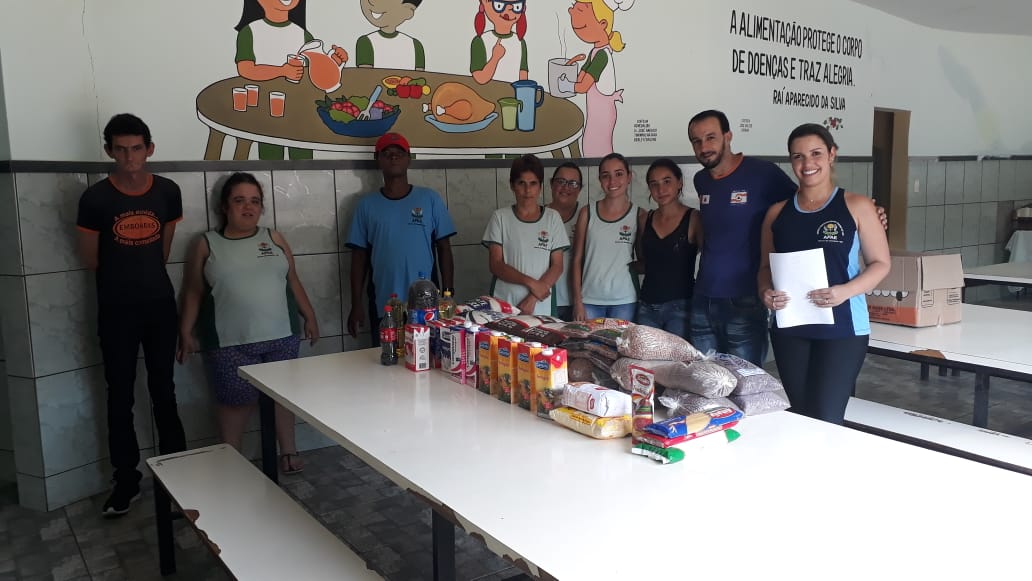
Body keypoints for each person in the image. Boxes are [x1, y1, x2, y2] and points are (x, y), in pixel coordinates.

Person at [76, 114, 187, 517]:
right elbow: (91, 260)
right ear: (109, 151)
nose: (129, 157)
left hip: (159, 306)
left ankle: (179, 477)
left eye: (136, 148)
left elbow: (163, 251)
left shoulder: (168, 192)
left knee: (164, 390)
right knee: (119, 395)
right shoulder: (95, 199)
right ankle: (126, 481)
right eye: (120, 150)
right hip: (116, 310)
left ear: (149, 149)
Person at [177, 173, 319, 473]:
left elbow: (293, 280)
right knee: (234, 403)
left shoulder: (274, 238)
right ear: (224, 207)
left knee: (282, 398)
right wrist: (186, 331)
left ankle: (288, 452)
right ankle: (232, 464)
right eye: (239, 200)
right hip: (230, 343)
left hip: (281, 336)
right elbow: (193, 291)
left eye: (255, 201)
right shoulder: (206, 243)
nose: (248, 207)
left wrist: (310, 316)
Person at [759, 123, 890, 424]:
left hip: (843, 329)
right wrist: (765, 292)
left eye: (816, 153)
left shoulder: (857, 206)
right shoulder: (776, 213)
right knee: (800, 416)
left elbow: (881, 263)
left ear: (832, 154)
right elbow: (765, 268)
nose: (808, 163)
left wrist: (845, 292)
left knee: (827, 416)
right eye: (798, 156)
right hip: (791, 328)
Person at [688, 110, 797, 365]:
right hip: (703, 298)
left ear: (728, 136)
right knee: (705, 381)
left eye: (711, 137)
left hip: (746, 299)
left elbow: (806, 206)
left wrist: (861, 212)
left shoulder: (763, 173)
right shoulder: (701, 180)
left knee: (745, 382)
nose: (704, 147)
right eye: (696, 141)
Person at [346, 132, 456, 341]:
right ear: (378, 159)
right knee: (388, 356)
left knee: (428, 357)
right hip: (385, 305)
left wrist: (448, 294)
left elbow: (444, 248)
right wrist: (356, 304)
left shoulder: (429, 199)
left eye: (399, 153)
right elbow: (358, 258)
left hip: (427, 306)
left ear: (409, 158)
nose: (393, 157)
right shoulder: (366, 206)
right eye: (387, 153)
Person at [234, 0, 348, 160]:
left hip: (300, 111)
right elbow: (245, 69)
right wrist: (282, 71)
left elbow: (316, 75)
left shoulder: (304, 35)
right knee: (270, 158)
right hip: (268, 110)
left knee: (303, 159)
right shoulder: (250, 31)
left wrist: (335, 62)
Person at [482, 155, 570, 315]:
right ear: (512, 185)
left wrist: (532, 298)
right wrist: (531, 283)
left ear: (540, 187)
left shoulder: (552, 218)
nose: (527, 190)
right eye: (521, 183)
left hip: (541, 305)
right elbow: (496, 264)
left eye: (533, 183)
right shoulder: (500, 217)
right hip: (505, 303)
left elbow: (557, 266)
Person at [633, 158, 702, 338]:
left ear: (679, 182)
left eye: (667, 181)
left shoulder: (694, 218)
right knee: (645, 356)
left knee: (676, 357)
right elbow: (643, 261)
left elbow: (709, 259)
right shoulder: (645, 219)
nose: (661, 189)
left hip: (681, 307)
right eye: (654, 184)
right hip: (647, 306)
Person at [571, 153, 644, 321]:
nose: (612, 181)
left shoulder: (639, 215)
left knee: (622, 340)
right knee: (587, 340)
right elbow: (576, 260)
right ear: (600, 180)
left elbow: (643, 260)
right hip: (589, 300)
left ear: (629, 177)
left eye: (619, 174)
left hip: (625, 300)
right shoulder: (587, 213)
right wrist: (577, 302)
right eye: (606, 176)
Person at [568, 0, 633, 157]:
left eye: (580, 10)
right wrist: (570, 68)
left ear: (602, 23)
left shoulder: (602, 55)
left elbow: (583, 86)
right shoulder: (594, 52)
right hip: (595, 111)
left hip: (602, 113)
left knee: (596, 150)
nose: (571, 12)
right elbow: (581, 77)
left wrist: (567, 86)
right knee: (590, 146)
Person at [546, 162, 584, 320]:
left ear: (580, 189)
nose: (566, 187)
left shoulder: (586, 216)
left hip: (578, 303)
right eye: (560, 181)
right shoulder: (539, 216)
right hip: (544, 300)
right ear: (551, 184)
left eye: (573, 183)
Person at [470, 0, 529, 84]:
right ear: (484, 3)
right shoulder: (480, 41)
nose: (509, 11)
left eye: (517, 7)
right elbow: (480, 79)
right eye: (499, 5)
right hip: (485, 91)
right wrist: (495, 58)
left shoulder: (520, 42)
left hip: (512, 92)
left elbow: (523, 76)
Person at [355, 0, 426, 70]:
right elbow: (364, 74)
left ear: (409, 12)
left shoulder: (415, 45)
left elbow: (421, 76)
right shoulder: (366, 42)